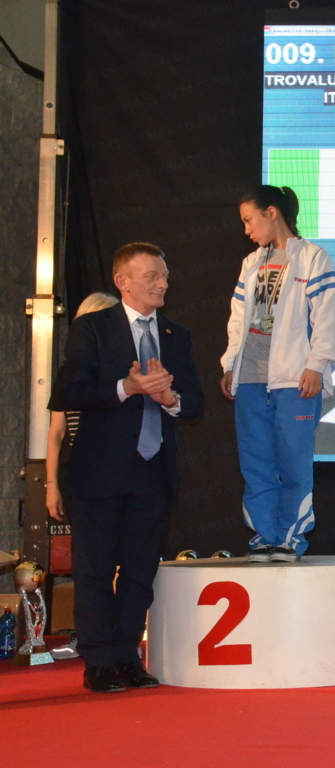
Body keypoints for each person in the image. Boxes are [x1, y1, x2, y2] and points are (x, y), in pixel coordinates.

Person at [60, 243, 204, 692]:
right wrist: (127, 386)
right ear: (122, 282)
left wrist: (169, 398)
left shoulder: (177, 335)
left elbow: (195, 403)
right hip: (98, 472)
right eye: (152, 277)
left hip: (153, 472)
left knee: (140, 573)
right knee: (95, 571)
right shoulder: (92, 328)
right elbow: (68, 392)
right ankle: (98, 662)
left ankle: (127, 657)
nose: (163, 284)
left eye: (165, 276)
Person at [221, 185, 335, 563]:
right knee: (256, 462)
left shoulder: (312, 257)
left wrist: (316, 364)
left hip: (294, 378)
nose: (246, 230)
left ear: (272, 212)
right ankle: (264, 537)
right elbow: (238, 319)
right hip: (251, 377)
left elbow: (328, 316)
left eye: (249, 220)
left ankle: (289, 538)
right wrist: (230, 364)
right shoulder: (251, 263)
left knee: (293, 461)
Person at [46, 290, 120, 661]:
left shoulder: (126, 370)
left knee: (124, 561)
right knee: (90, 565)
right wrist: (51, 486)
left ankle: (121, 638)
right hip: (83, 480)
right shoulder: (69, 374)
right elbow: (56, 433)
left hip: (123, 477)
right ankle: (88, 637)